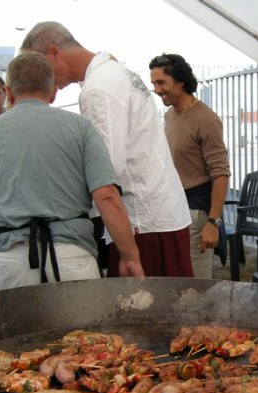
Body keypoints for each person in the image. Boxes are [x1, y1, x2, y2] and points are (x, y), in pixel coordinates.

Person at [0, 52, 144, 291]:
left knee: (16, 329)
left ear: (8, 93)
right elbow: (106, 196)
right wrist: (130, 257)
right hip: (74, 259)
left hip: (10, 261)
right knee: (83, 329)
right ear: (53, 91)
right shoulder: (81, 128)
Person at [20, 22, 193, 278]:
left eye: (39, 65)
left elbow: (106, 171)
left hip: (141, 222)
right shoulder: (113, 72)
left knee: (145, 313)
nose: (39, 76)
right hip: (159, 212)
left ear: (54, 53)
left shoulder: (97, 88)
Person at [149, 53, 230, 279]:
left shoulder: (206, 119)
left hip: (196, 212)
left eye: (161, 83)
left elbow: (221, 173)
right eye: (154, 83)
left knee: (196, 286)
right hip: (174, 210)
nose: (156, 89)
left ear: (180, 81)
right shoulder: (169, 116)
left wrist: (213, 222)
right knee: (176, 281)